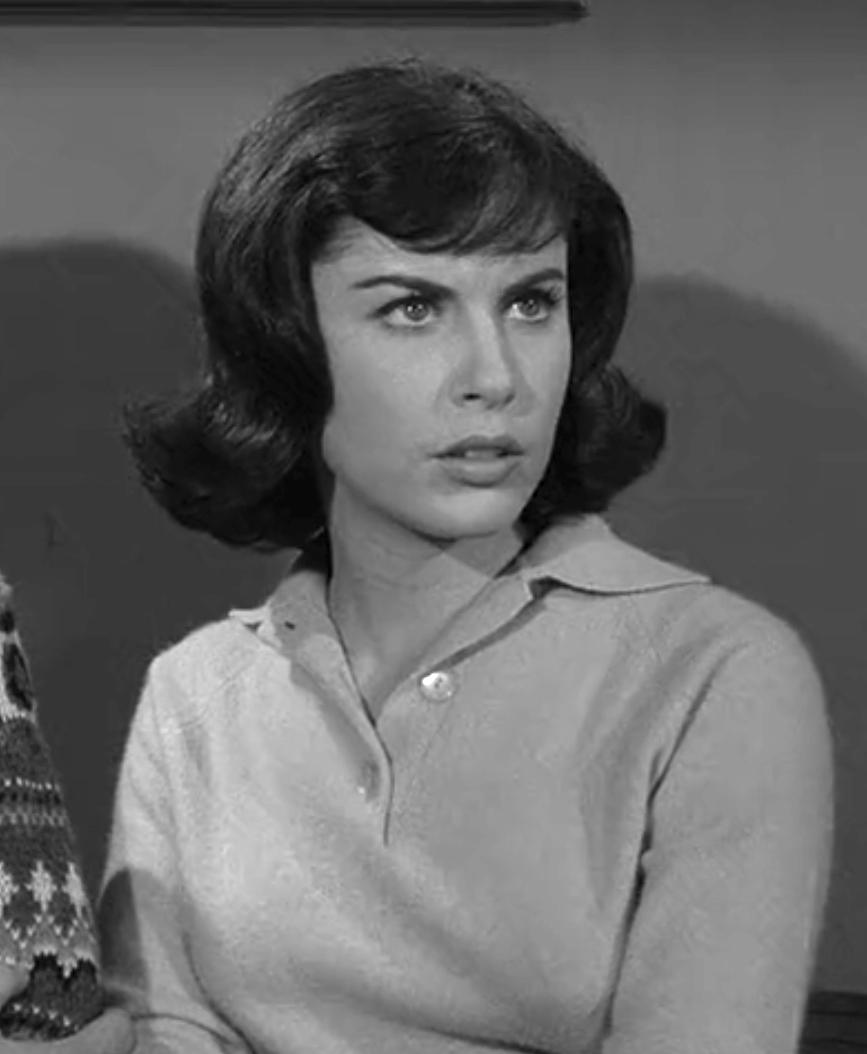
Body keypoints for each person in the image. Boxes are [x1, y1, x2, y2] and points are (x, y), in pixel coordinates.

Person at [1, 58, 832, 1053]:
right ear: (284, 346)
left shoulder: (714, 671)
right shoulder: (198, 693)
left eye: (531, 302)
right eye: (413, 307)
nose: (496, 376)